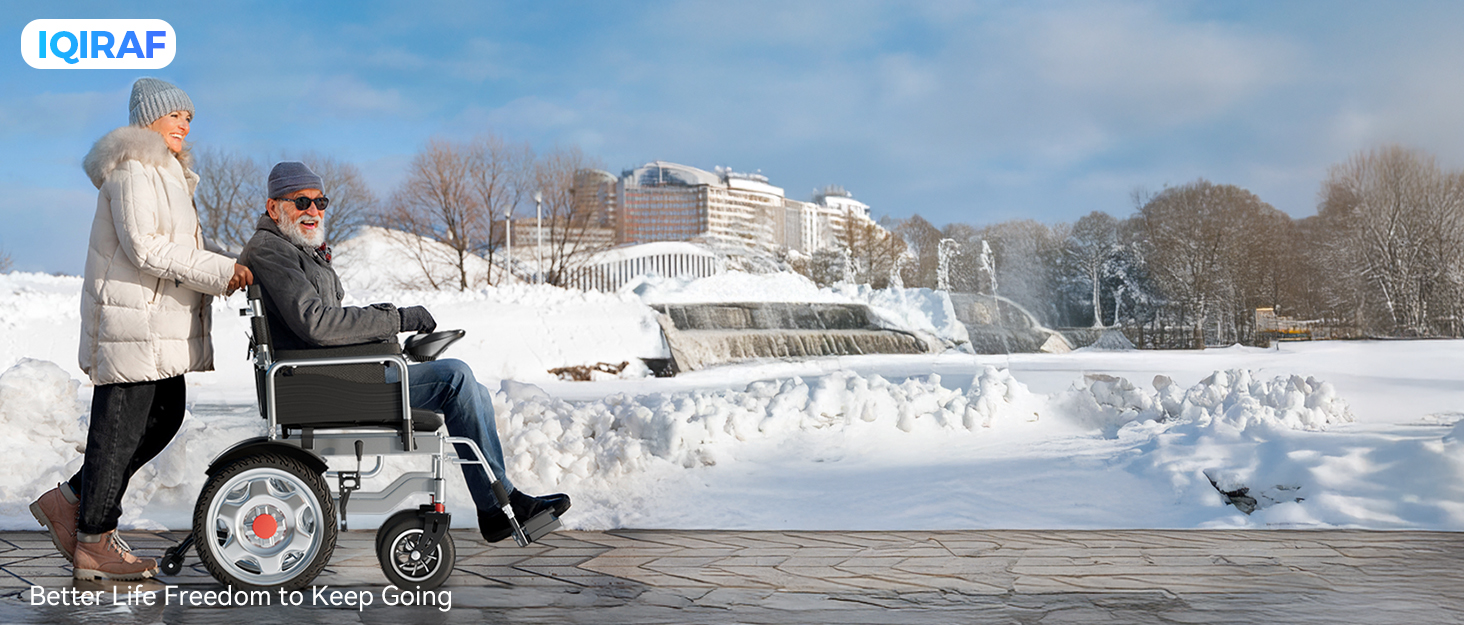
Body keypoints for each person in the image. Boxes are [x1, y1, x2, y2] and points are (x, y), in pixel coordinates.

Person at [237, 161, 569, 542]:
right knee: (455, 377)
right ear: (273, 205)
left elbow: (325, 323)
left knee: (469, 387)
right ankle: (498, 504)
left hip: (331, 374)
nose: (313, 210)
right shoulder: (270, 250)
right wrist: (397, 319)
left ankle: (499, 502)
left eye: (320, 201)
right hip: (319, 382)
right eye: (301, 201)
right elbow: (317, 324)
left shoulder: (295, 248)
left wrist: (389, 343)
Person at [30, 78, 254, 581]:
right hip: (133, 323)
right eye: (175, 114)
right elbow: (145, 248)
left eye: (189, 118)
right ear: (148, 118)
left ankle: (68, 500)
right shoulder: (134, 168)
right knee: (118, 431)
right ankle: (93, 541)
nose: (185, 124)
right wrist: (221, 271)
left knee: (164, 418)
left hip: (158, 328)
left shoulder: (172, 175)